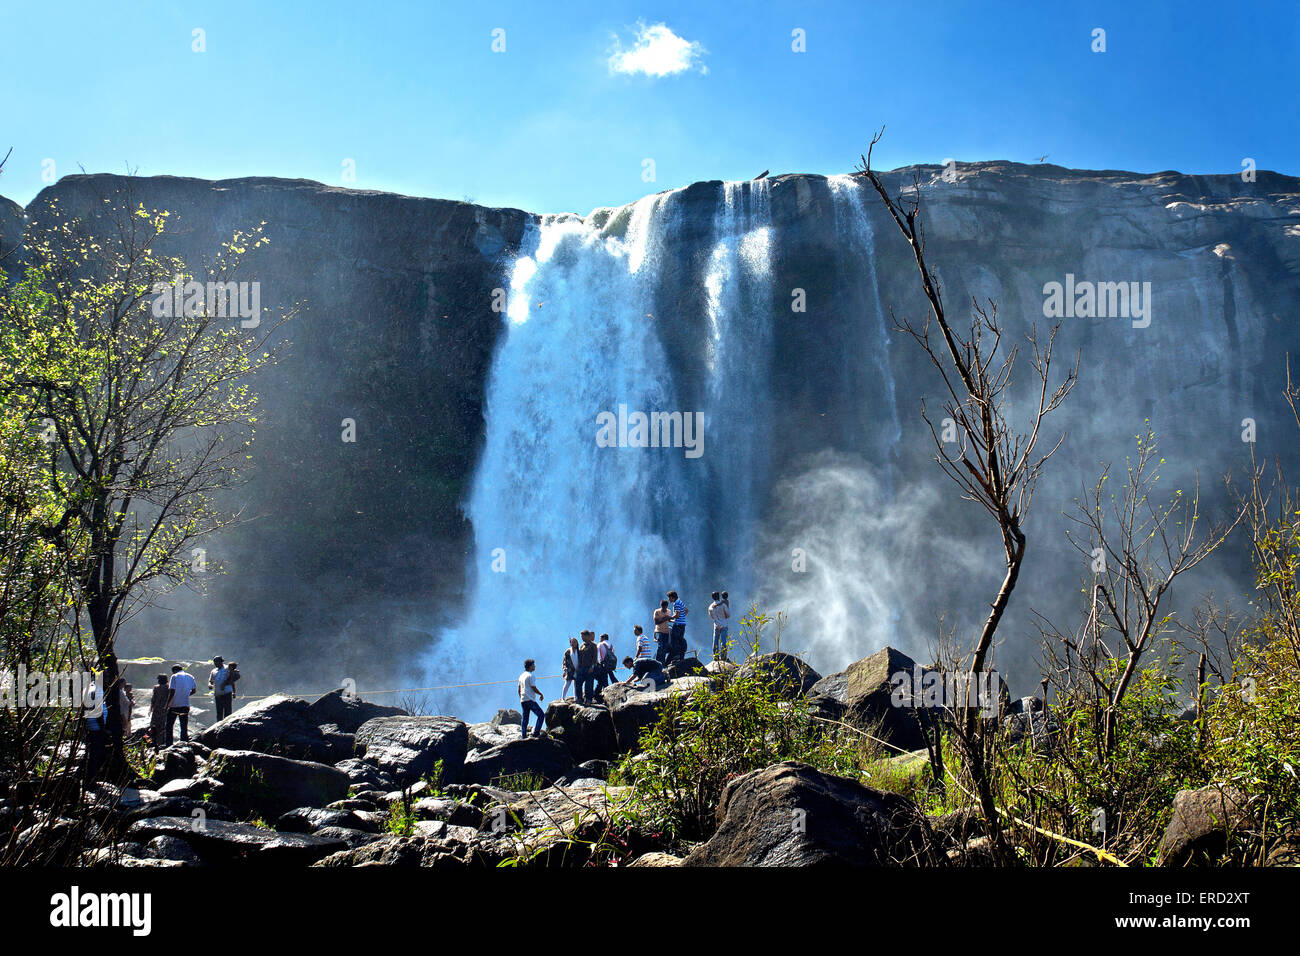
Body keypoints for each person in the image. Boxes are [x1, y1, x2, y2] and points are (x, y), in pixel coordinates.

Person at [165, 664, 197, 745]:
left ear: (174, 670)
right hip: (185, 705)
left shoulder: (174, 676)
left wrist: (167, 704)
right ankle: (184, 743)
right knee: (183, 725)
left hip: (174, 705)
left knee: (169, 725)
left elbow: (172, 691)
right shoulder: (190, 676)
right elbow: (194, 691)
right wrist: (185, 695)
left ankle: (169, 744)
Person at [83, 676, 107, 783]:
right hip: (96, 727)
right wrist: (103, 728)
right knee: (96, 754)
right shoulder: (97, 690)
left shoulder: (89, 688)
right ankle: (91, 780)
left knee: (92, 754)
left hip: (90, 725)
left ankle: (88, 779)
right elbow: (98, 711)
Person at [518, 659, 546, 738]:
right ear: (530, 666)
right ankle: (536, 733)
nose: (535, 666)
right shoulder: (531, 675)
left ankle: (524, 736)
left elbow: (519, 689)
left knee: (525, 718)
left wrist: (521, 698)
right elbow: (533, 687)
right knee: (541, 715)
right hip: (530, 699)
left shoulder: (521, 676)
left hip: (523, 700)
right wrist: (540, 694)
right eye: (533, 665)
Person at [576, 631, 599, 705]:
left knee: (589, 684)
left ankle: (588, 699)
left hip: (589, 667)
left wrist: (592, 667)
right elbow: (580, 657)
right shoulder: (582, 645)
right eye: (581, 636)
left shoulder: (593, 645)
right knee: (578, 683)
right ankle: (579, 698)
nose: (582, 638)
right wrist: (578, 667)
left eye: (583, 636)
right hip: (581, 668)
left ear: (587, 636)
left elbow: (595, 657)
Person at [709, 591, 731, 662]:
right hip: (724, 624)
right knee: (723, 641)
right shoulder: (723, 605)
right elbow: (728, 615)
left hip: (716, 625)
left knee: (715, 641)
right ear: (719, 597)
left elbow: (711, 617)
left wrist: (716, 618)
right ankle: (723, 657)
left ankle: (715, 657)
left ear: (712, 598)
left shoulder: (710, 607)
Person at [209, 656, 233, 722]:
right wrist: (210, 685)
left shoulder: (228, 668)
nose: (215, 663)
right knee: (219, 712)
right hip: (218, 694)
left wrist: (225, 683)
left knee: (227, 711)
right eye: (214, 662)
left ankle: (228, 726)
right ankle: (218, 726)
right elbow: (211, 681)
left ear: (221, 661)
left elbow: (235, 676)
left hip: (227, 693)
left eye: (217, 662)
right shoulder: (213, 671)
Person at [667, 590, 688, 664]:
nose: (669, 600)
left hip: (678, 625)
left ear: (672, 597)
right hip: (682, 624)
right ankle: (681, 658)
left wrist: (669, 618)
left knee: (674, 643)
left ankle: (674, 658)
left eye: (669, 598)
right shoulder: (680, 602)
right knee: (681, 641)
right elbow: (686, 610)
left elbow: (677, 615)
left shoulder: (676, 604)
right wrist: (681, 618)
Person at [148, 674, 169, 746]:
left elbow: (153, 699)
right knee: (162, 726)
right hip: (165, 709)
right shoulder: (168, 688)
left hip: (157, 709)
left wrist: (151, 709)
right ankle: (161, 742)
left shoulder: (156, 688)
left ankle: (153, 741)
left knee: (154, 725)